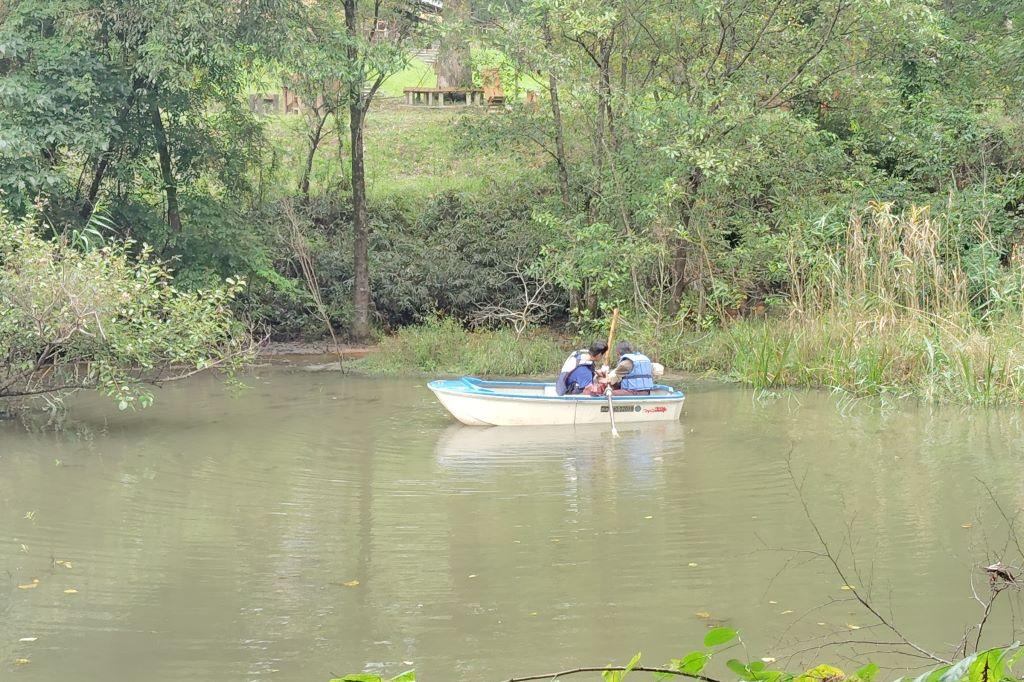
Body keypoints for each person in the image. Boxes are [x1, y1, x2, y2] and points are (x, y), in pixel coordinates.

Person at [583, 341, 662, 396]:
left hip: (634, 392)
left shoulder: (625, 363)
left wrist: (602, 377)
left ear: (618, 353)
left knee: (609, 392)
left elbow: (612, 379)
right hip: (647, 392)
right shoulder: (644, 359)